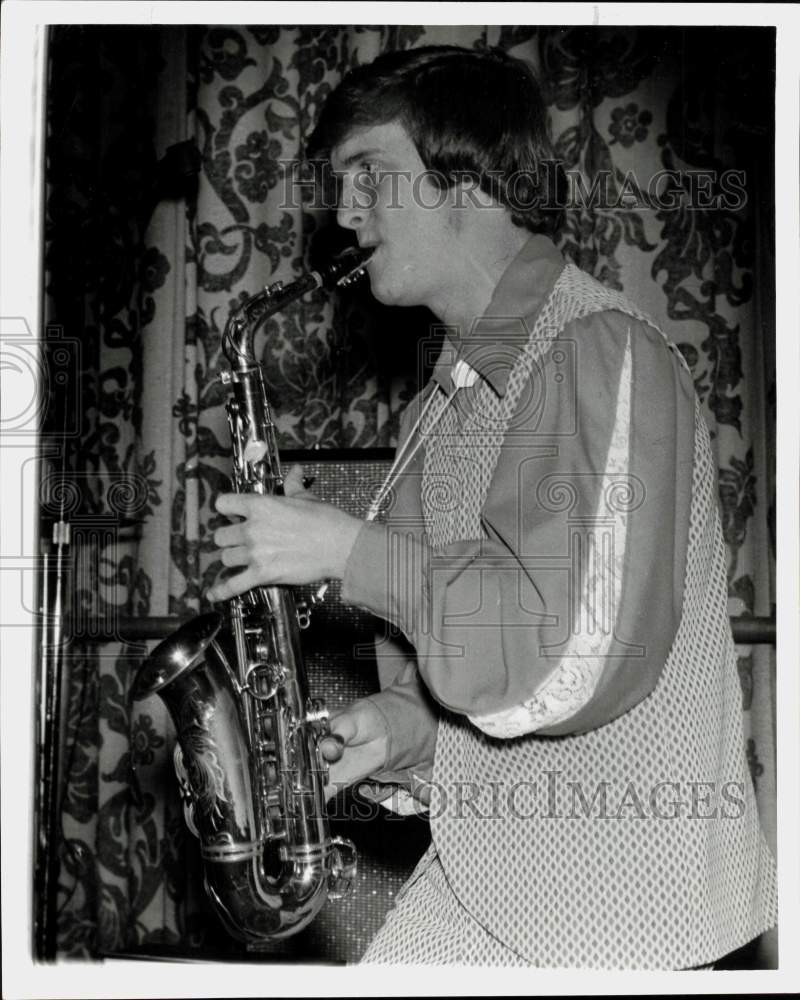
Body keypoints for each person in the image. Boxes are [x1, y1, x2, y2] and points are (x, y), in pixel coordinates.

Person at [206, 46, 778, 968]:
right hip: (501, 883)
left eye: (370, 176)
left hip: (629, 919)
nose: (344, 214)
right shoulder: (443, 402)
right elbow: (478, 696)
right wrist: (396, 732)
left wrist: (350, 553)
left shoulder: (599, 353)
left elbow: (563, 662)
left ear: (465, 179)